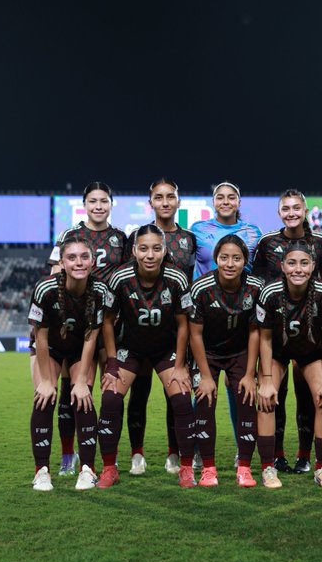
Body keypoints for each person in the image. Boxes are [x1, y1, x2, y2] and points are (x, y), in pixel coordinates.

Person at [97, 224, 196, 488]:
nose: (149, 255)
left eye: (155, 248)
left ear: (164, 250)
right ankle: (109, 468)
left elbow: (184, 324)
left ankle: (186, 469)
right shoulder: (120, 277)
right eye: (143, 249)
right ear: (134, 251)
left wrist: (180, 364)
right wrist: (111, 362)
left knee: (183, 399)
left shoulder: (176, 278)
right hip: (130, 347)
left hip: (165, 348)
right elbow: (107, 322)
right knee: (110, 398)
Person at [47, 182, 127, 476]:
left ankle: (109, 455)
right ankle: (69, 454)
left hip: (108, 322)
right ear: (84, 204)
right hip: (77, 322)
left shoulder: (120, 237)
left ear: (110, 204)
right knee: (71, 391)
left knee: (110, 393)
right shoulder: (70, 235)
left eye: (103, 201)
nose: (98, 206)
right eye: (92, 201)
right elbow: (55, 271)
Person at [252, 188, 322, 474]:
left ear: (305, 210)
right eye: (285, 208)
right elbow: (257, 278)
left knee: (308, 395)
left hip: (309, 328)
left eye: (296, 208)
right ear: (279, 212)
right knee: (275, 392)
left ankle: (305, 455)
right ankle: (277, 456)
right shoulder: (266, 242)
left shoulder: (320, 242)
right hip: (276, 330)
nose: (291, 213)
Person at [124, 178, 197, 476]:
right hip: (138, 329)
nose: (165, 202)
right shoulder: (137, 236)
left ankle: (174, 453)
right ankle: (137, 454)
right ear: (150, 202)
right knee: (139, 392)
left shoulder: (190, 239)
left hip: (175, 329)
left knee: (175, 393)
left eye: (170, 197)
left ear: (178, 202)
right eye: (159, 197)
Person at [255, 240, 322, 489]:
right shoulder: (270, 293)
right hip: (278, 353)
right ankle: (267, 468)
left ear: (313, 266)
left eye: (304, 263)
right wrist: (267, 379)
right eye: (292, 263)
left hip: (311, 353)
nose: (298, 269)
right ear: (282, 266)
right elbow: (265, 337)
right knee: (266, 399)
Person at [28, 234, 109, 491]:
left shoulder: (99, 291)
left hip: (79, 348)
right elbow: (39, 337)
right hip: (48, 348)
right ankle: (41, 471)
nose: (78, 262)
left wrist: (83, 380)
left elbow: (91, 337)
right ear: (62, 262)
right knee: (45, 397)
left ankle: (87, 469)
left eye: (84, 256)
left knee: (82, 396)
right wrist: (47, 381)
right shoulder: (45, 288)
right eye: (71, 257)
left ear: (92, 260)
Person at [190, 181, 262, 465]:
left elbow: (258, 271)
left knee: (239, 390)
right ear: (213, 202)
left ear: (239, 202)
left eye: (231, 197)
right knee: (202, 388)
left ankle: (239, 451)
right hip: (205, 314)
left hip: (239, 314)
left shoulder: (252, 232)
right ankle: (196, 450)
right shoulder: (197, 229)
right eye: (220, 197)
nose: (226, 201)